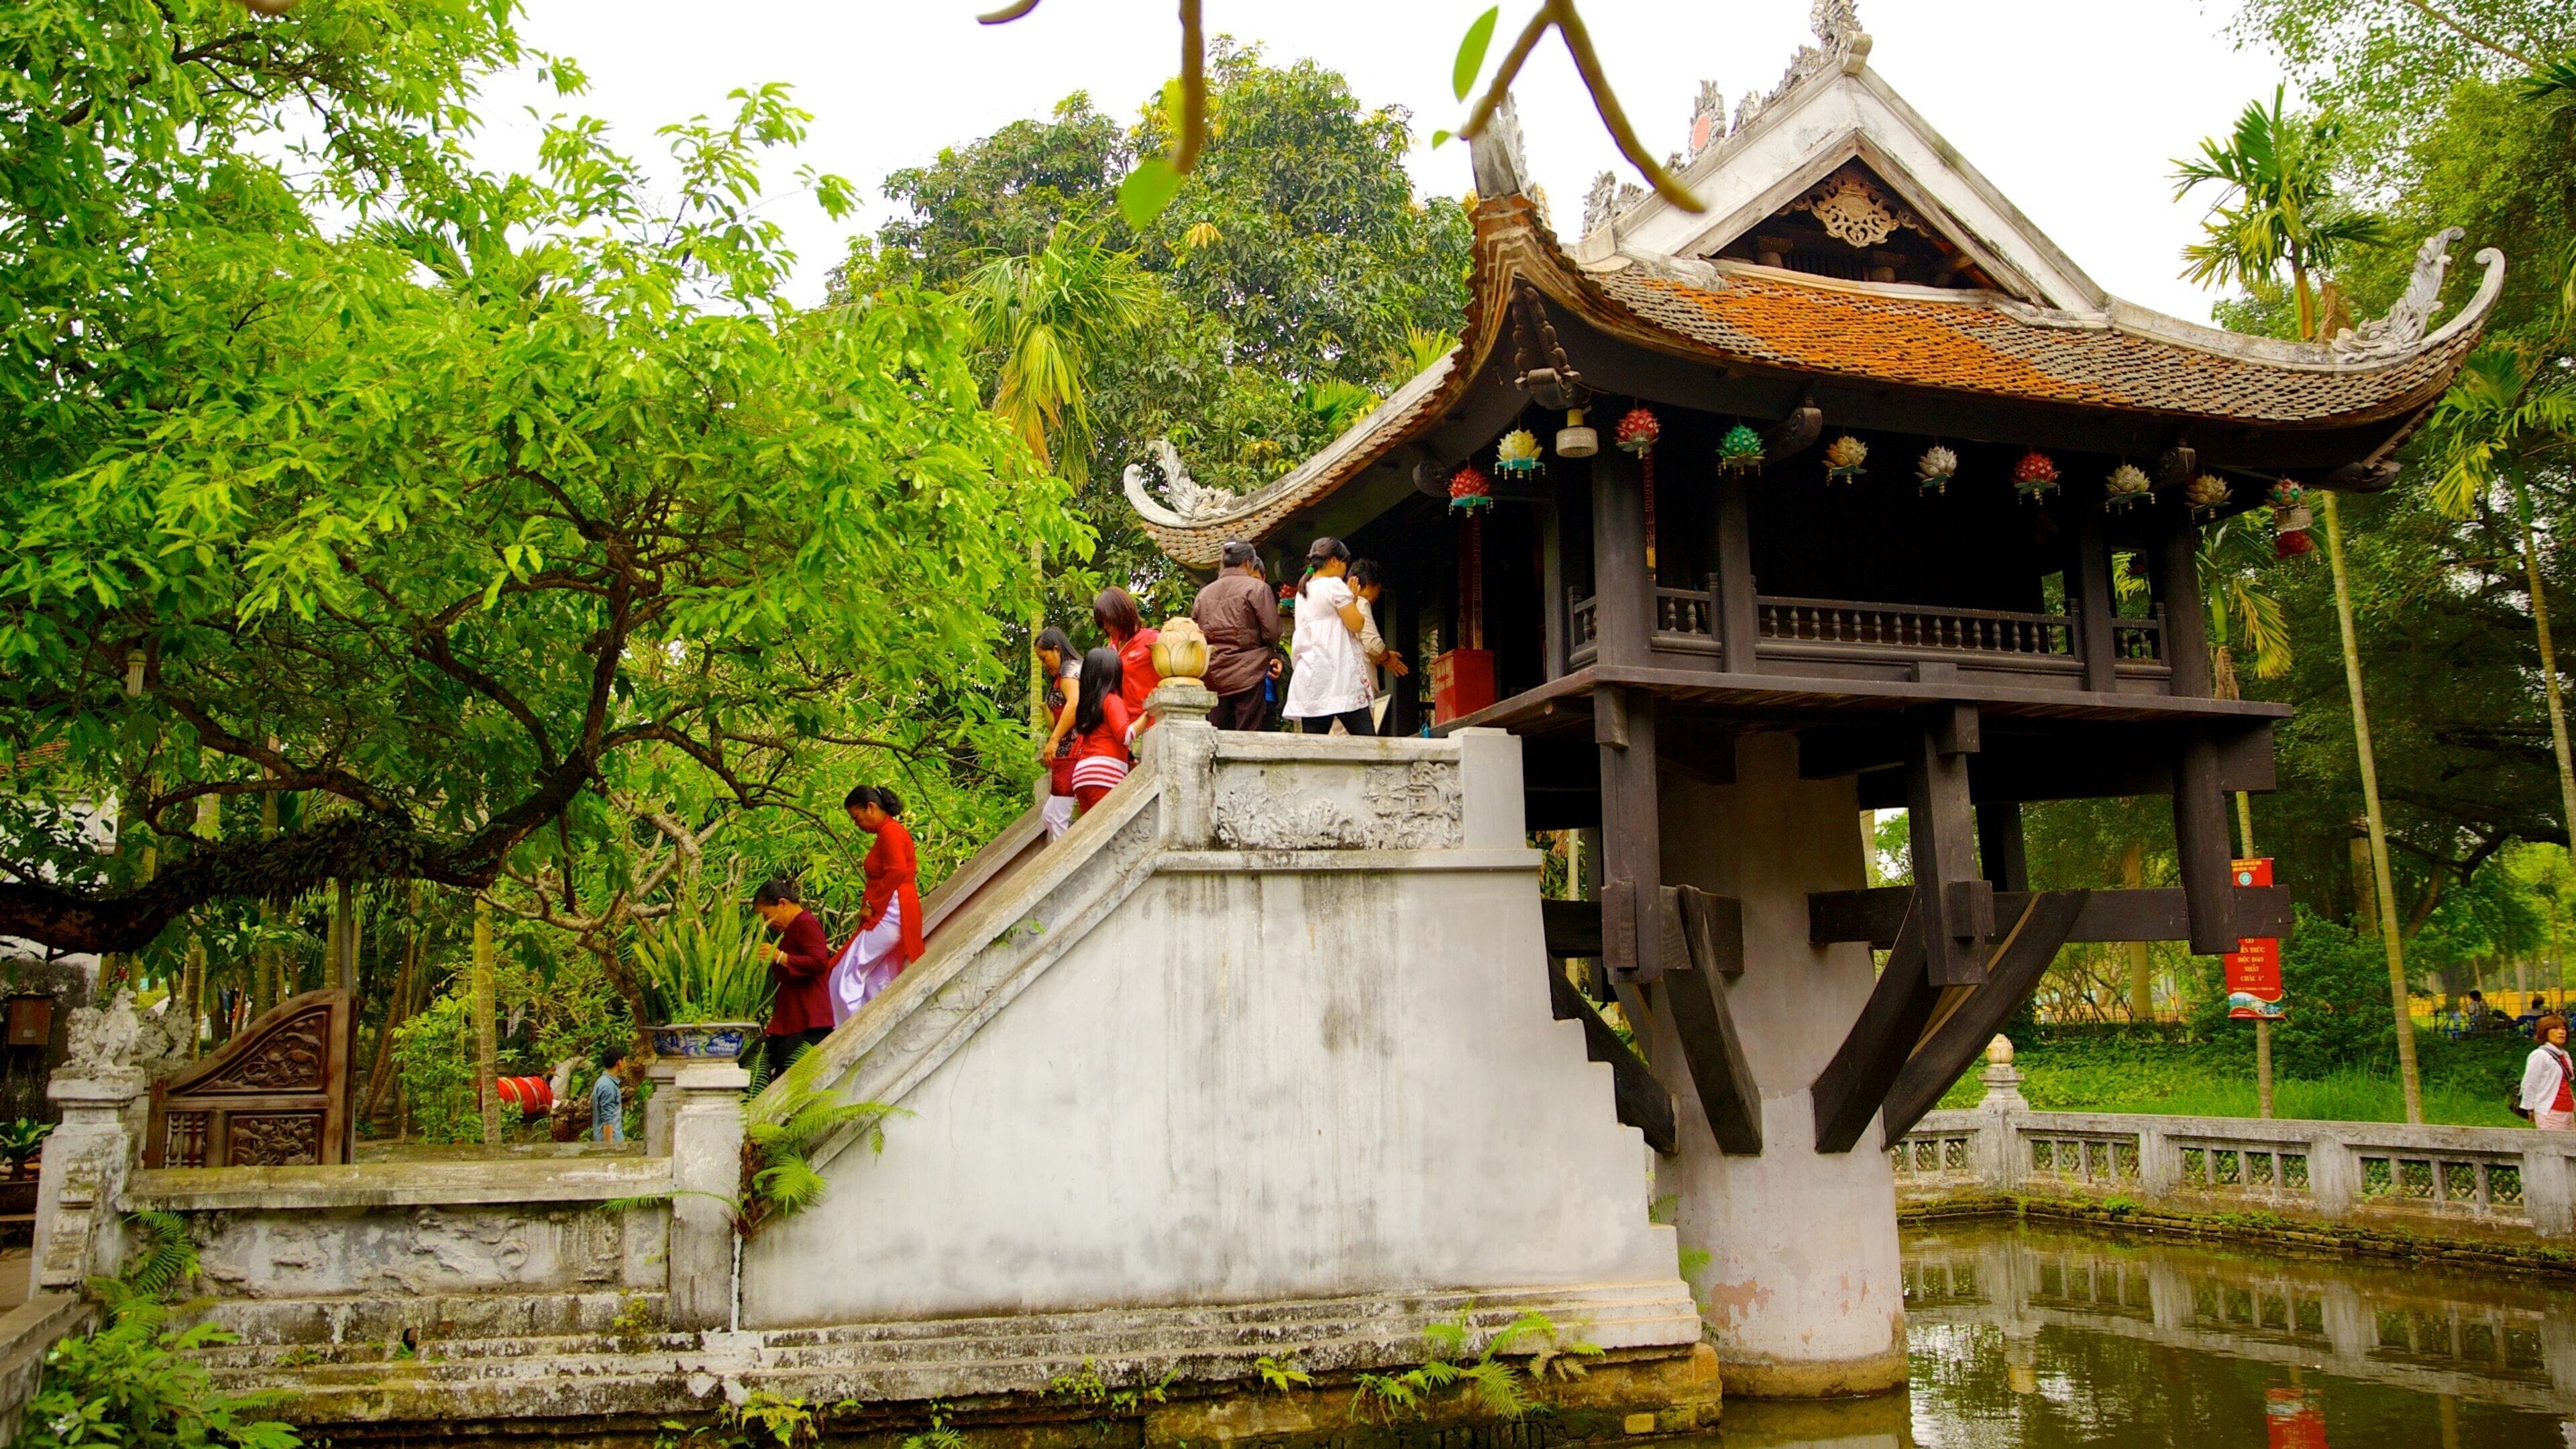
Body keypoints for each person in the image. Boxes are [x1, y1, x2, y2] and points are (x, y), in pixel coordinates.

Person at [828, 784, 926, 1023]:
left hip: (890, 910)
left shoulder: (890, 832)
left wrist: (873, 905)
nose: (856, 824)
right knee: (878, 977)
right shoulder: (891, 831)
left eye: (856, 817)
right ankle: (872, 1023)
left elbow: (896, 871)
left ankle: (848, 1030)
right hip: (896, 908)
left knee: (845, 973)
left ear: (871, 808)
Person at [1280, 537, 1373, 735]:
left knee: (1314, 748)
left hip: (1312, 679)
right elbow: (1356, 624)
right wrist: (1353, 599)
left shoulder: (1302, 592)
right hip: (1340, 676)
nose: (1345, 570)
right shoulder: (1334, 585)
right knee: (1367, 742)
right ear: (1333, 561)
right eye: (1344, 563)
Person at [1192, 540, 1283, 732]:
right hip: (1250, 671)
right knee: (1248, 736)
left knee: (1219, 735)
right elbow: (1272, 632)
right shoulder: (1257, 588)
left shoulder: (1204, 594)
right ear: (1249, 564)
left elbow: (1195, 633)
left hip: (1214, 674)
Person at [751, 877, 835, 1080]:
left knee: (778, 1078)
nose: (768, 923)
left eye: (767, 915)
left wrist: (780, 956)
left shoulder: (806, 923)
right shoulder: (793, 928)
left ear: (782, 904)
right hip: (791, 1021)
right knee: (752, 1066)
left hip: (808, 1023)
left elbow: (819, 962)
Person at [1068, 645, 1135, 813]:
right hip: (1104, 775)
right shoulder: (1112, 700)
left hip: (1082, 776)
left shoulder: (1086, 706)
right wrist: (1148, 715)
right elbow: (1125, 736)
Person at [1347, 558, 1409, 731]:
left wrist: (1382, 659)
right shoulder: (1360, 602)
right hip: (1359, 682)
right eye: (1378, 589)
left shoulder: (1341, 605)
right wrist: (1387, 658)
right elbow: (1372, 643)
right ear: (1368, 585)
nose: (1378, 595)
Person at [1036, 627, 1082, 839]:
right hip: (1065, 754)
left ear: (1056, 649)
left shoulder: (1070, 669)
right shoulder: (1059, 677)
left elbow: (1074, 703)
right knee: (1049, 817)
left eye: (1044, 658)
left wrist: (1054, 740)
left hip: (1075, 749)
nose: (1044, 665)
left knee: (1059, 821)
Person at [1094, 587, 1160, 721]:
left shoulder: (1152, 640)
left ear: (1120, 615)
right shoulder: (1112, 646)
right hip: (1121, 727)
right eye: (1102, 622)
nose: (1105, 627)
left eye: (1108, 620)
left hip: (1149, 724)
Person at [2523, 1016, 2575, 1130]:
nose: (2561, 1032)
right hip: (2550, 1111)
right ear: (2545, 1032)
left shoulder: (2565, 1055)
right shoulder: (2540, 1055)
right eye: (2555, 1029)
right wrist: (2529, 1109)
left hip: (2568, 1110)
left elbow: (2565, 1083)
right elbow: (2529, 1084)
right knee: (2555, 1145)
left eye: (2563, 1029)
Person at [590, 1043, 630, 1143]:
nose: (625, 1063)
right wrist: (608, 1149)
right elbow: (608, 1120)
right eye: (624, 1060)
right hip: (612, 1143)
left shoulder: (603, 1082)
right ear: (619, 1063)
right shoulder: (608, 1086)